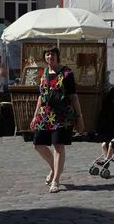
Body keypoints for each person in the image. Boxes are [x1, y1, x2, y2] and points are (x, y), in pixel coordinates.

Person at [30, 45, 84, 193]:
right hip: (45, 115)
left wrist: (79, 117)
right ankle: (54, 168)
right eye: (47, 54)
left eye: (52, 54)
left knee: (58, 146)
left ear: (57, 56)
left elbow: (73, 96)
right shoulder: (44, 73)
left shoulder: (67, 73)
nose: (50, 57)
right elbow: (41, 96)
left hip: (62, 116)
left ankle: (56, 180)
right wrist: (35, 115)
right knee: (38, 144)